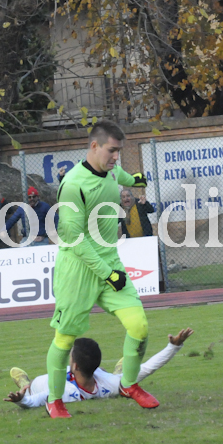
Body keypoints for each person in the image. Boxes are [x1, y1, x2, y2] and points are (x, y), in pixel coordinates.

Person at [45, 119, 153, 419]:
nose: (116, 157)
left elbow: (122, 175)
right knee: (65, 339)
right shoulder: (73, 186)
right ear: (94, 146)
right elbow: (75, 241)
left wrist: (135, 179)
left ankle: (129, 385)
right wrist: (108, 274)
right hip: (78, 270)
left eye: (119, 151)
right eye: (112, 151)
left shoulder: (111, 169)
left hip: (110, 263)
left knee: (139, 326)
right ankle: (54, 401)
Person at [7, 329, 194, 408]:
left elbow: (34, 401)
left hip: (41, 385)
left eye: (70, 356)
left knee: (29, 388)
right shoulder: (110, 384)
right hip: (88, 375)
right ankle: (24, 382)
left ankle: (25, 384)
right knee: (114, 377)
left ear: (75, 365)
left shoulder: (62, 392)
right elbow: (146, 369)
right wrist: (173, 347)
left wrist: (21, 400)